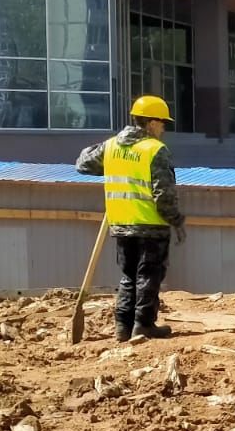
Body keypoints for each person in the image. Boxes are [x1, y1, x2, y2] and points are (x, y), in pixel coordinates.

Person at [75, 95, 185, 342]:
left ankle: (122, 327)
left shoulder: (112, 146)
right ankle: (143, 324)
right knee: (149, 274)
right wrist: (176, 220)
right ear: (151, 123)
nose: (164, 129)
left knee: (128, 276)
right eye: (162, 123)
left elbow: (82, 163)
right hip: (150, 224)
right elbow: (163, 194)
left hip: (121, 223)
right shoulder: (155, 150)